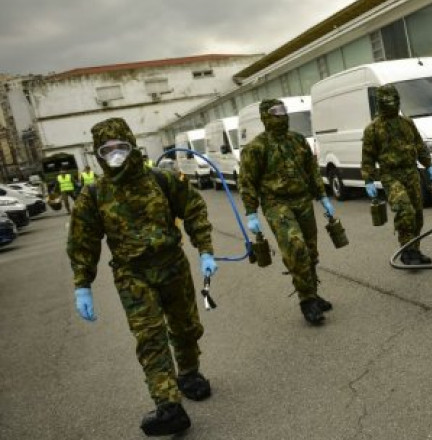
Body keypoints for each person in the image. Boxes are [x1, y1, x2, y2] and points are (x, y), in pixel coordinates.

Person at [67, 117, 218, 436]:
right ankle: (169, 406)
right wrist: (82, 285)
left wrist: (205, 249)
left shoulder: (161, 180)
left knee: (186, 326)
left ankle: (189, 373)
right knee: (150, 338)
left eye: (121, 147)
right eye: (107, 150)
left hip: (173, 266)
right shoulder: (94, 195)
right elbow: (83, 241)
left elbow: (193, 209)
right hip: (132, 276)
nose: (115, 154)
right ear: (98, 154)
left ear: (132, 146)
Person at [240, 99, 336, 326]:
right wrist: (251, 213)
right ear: (265, 117)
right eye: (275, 112)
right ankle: (307, 301)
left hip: (303, 200)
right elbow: (247, 182)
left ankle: (312, 292)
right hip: (276, 204)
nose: (281, 116)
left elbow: (311, 171)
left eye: (283, 111)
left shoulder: (298, 140)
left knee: (311, 251)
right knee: (296, 247)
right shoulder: (256, 147)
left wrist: (323, 197)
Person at [361, 85, 432, 266]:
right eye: (387, 101)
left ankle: (415, 250)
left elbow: (419, 145)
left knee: (417, 215)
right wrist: (368, 180)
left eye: (394, 100)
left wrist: (429, 165)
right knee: (405, 211)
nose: (392, 104)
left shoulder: (407, 123)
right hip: (391, 175)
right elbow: (368, 157)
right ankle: (406, 252)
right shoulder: (372, 129)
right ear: (380, 103)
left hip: (411, 172)